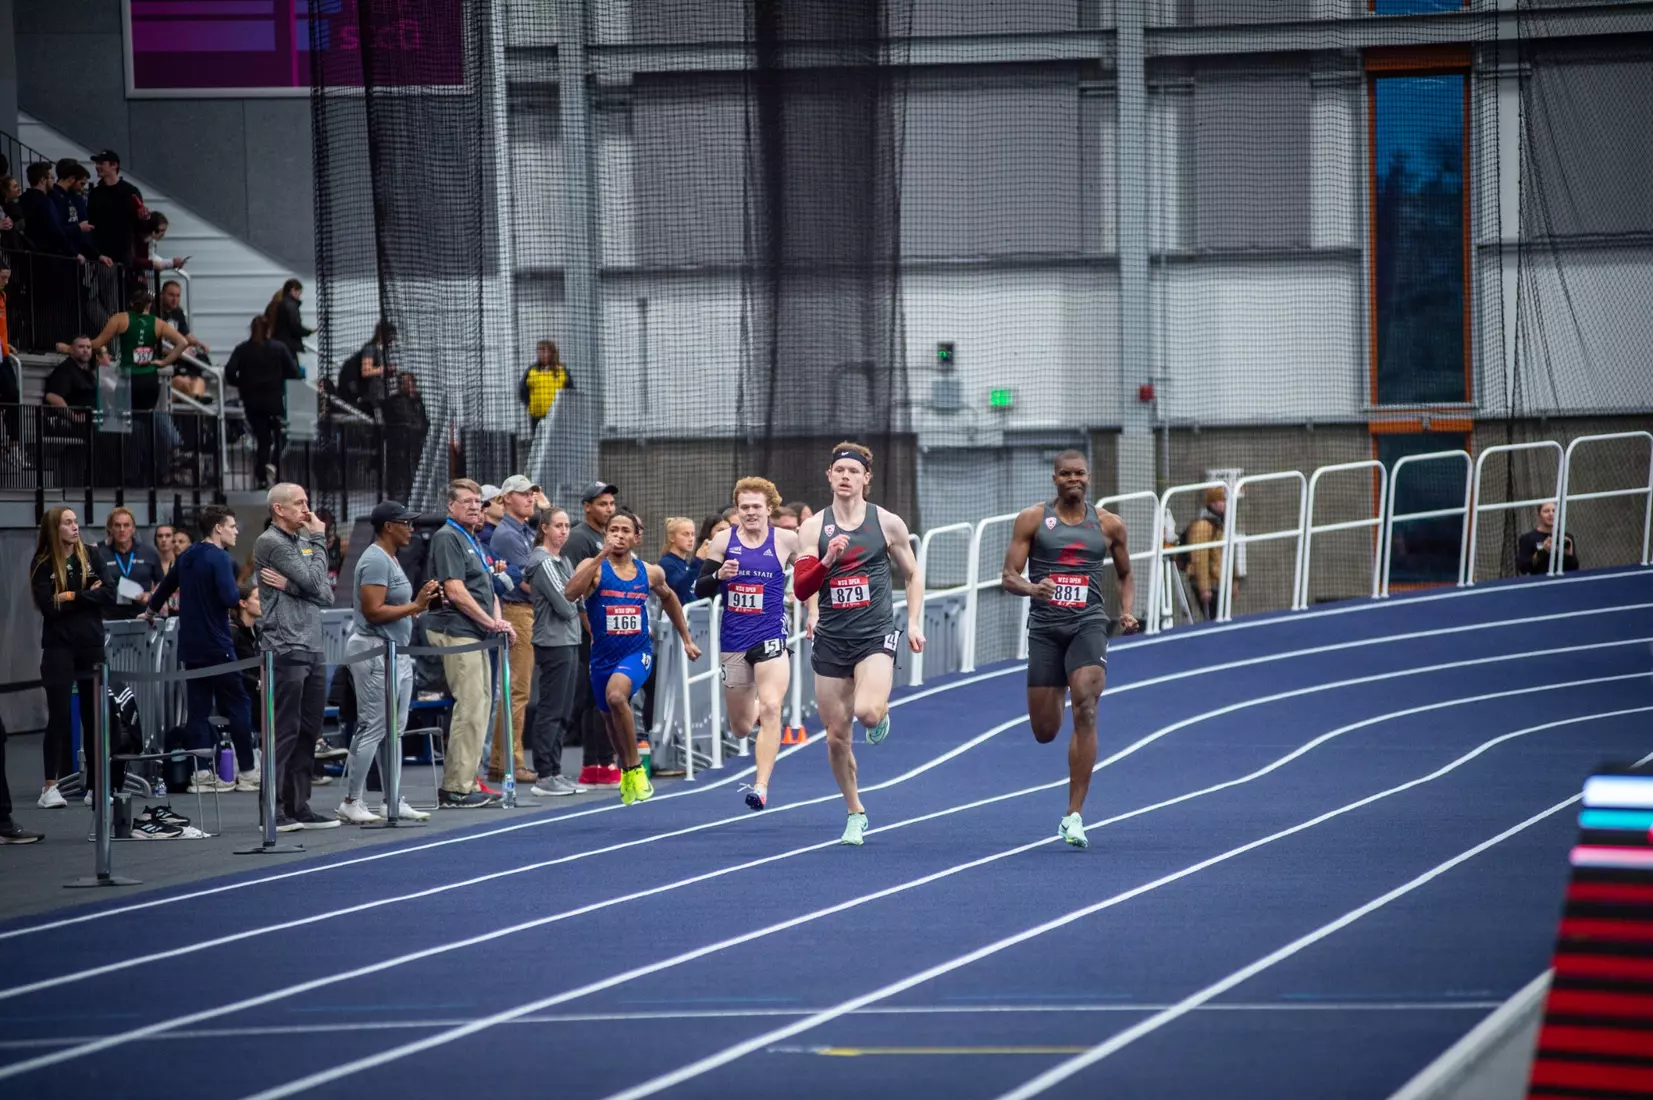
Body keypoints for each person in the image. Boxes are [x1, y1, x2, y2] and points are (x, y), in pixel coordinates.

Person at [1000, 450, 1139, 850]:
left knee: (1087, 706)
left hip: (1088, 622)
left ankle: (1073, 816)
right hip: (1045, 628)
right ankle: (1061, 678)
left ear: (1089, 478)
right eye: (1066, 474)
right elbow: (1009, 575)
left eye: (1079, 473)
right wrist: (1032, 588)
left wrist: (1127, 611)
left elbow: (1126, 574)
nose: (1073, 479)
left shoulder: (1110, 524)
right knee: (1045, 731)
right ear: (1055, 479)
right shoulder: (1032, 519)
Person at [792, 442, 926, 846]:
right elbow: (801, 588)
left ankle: (879, 714)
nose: (846, 477)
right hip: (832, 638)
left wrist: (915, 622)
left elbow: (912, 574)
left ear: (867, 478)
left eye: (854, 471)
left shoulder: (887, 524)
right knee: (836, 736)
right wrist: (827, 561)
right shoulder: (813, 528)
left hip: (874, 634)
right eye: (840, 471)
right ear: (829, 476)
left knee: (866, 713)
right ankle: (855, 812)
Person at [564, 510, 700, 805]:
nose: (620, 535)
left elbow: (670, 598)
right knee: (609, 719)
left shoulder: (649, 572)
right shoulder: (593, 567)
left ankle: (636, 766)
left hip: (637, 652)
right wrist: (600, 557)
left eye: (627, 530)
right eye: (614, 529)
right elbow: (570, 593)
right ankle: (626, 770)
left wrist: (686, 638)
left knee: (616, 698)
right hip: (602, 656)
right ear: (606, 534)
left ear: (637, 537)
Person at [693, 477, 800, 811]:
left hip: (770, 634)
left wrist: (810, 608)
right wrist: (719, 576)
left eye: (756, 507)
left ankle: (761, 786)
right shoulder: (723, 541)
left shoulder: (786, 540)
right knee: (740, 728)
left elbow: (813, 576)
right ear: (737, 510)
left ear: (769, 509)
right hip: (734, 639)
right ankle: (752, 712)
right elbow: (700, 589)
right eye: (744, 507)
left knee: (771, 707)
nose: (750, 513)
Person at [144, 505, 256, 795]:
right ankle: (246, 772)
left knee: (198, 711)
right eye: (231, 526)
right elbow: (232, 597)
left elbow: (166, 586)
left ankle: (203, 775)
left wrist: (150, 610)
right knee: (239, 705)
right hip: (218, 646)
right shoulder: (219, 558)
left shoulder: (188, 555)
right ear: (218, 528)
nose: (236, 531)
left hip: (191, 647)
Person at [339, 501, 440, 824]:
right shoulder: (374, 560)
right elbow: (372, 611)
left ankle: (391, 800)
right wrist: (415, 605)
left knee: (394, 730)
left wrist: (418, 604)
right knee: (373, 727)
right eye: (405, 522)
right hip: (374, 649)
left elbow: (396, 608)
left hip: (395, 651)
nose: (411, 528)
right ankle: (351, 801)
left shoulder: (389, 558)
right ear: (387, 527)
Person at [253, 482, 340, 831]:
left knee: (309, 729)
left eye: (307, 501)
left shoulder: (304, 542)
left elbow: (326, 596)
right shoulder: (270, 542)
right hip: (285, 644)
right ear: (279, 509)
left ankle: (298, 805)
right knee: (284, 731)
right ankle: (272, 811)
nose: (307, 509)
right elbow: (311, 579)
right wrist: (319, 541)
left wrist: (291, 586)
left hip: (313, 643)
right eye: (299, 503)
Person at [423, 478, 515, 807]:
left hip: (475, 631)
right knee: (471, 706)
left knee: (481, 705)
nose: (475, 506)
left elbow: (486, 587)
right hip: (455, 630)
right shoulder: (448, 537)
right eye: (466, 501)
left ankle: (466, 780)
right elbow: (456, 590)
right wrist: (491, 622)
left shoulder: (471, 538)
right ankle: (456, 787)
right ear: (450, 506)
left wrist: (496, 620)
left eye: (478, 501)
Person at [30, 507, 115, 808]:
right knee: (60, 715)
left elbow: (109, 593)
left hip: (91, 645)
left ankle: (95, 784)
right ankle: (49, 787)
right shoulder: (42, 563)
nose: (75, 527)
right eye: (68, 523)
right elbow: (49, 607)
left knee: (93, 716)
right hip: (58, 647)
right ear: (55, 528)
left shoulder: (91, 556)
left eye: (76, 521)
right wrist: (85, 596)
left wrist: (71, 596)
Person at [566, 481, 621, 787]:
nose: (608, 509)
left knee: (606, 696)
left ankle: (603, 761)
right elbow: (576, 587)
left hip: (609, 630)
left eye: (611, 504)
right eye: (602, 504)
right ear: (587, 506)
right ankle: (592, 764)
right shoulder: (578, 539)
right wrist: (591, 626)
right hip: (593, 632)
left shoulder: (604, 537)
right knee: (594, 697)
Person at [527, 507, 585, 796]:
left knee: (563, 709)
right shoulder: (543, 562)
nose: (564, 531)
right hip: (553, 642)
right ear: (544, 529)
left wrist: (577, 600)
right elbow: (566, 604)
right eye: (558, 526)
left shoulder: (563, 559)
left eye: (567, 526)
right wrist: (576, 600)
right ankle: (544, 774)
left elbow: (579, 594)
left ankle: (556, 770)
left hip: (569, 640)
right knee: (551, 709)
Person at [488, 475, 541, 785]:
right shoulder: (509, 535)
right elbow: (529, 581)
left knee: (515, 690)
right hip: (518, 611)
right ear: (506, 499)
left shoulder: (523, 531)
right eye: (523, 494)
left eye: (531, 494)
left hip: (525, 611)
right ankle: (512, 761)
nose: (530, 499)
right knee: (517, 691)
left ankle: (501, 760)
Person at [225, 314, 302, 489]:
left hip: (251, 402)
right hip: (273, 400)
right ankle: (274, 466)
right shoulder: (279, 348)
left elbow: (229, 373)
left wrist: (242, 383)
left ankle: (261, 475)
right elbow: (294, 372)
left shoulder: (242, 349)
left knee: (263, 438)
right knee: (281, 435)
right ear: (269, 329)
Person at [87, 289, 190, 418]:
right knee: (146, 420)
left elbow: (96, 343)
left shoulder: (121, 319)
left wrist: (70, 348)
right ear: (149, 304)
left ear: (131, 303)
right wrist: (164, 362)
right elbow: (183, 343)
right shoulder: (157, 322)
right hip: (149, 378)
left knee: (122, 421)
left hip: (127, 376)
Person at [98, 507, 166, 620]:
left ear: (133, 528)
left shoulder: (148, 552)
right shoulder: (100, 554)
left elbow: (162, 582)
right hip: (109, 618)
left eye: (126, 525)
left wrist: (150, 595)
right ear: (110, 528)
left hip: (142, 616)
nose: (122, 529)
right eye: (117, 525)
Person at [1182, 485, 1229, 621]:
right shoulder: (1202, 526)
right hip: (1208, 582)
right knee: (1214, 620)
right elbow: (1199, 557)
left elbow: (1224, 554)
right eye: (1217, 501)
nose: (1221, 504)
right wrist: (1204, 587)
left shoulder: (1219, 524)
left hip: (1216, 580)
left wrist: (1233, 580)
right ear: (1210, 504)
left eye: (1223, 500)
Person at [382, 372, 427, 504]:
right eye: (403, 383)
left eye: (409, 382)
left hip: (415, 445)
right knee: (398, 477)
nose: (406, 385)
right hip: (399, 446)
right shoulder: (394, 401)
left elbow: (421, 421)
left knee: (413, 475)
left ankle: (412, 498)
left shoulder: (417, 401)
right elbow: (400, 420)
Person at [1517, 501, 1580, 576]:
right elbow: (1523, 568)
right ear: (1539, 515)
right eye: (1546, 511)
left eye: (1554, 511)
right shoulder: (1527, 538)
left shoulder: (1566, 537)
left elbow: (1574, 568)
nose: (1551, 514)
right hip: (1539, 582)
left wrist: (1568, 555)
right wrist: (1543, 551)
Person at [519, 340, 571, 429]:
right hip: (537, 416)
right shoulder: (532, 371)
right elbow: (523, 391)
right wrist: (531, 405)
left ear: (553, 353)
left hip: (557, 417)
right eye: (539, 350)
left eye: (544, 350)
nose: (541, 353)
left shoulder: (562, 371)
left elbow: (570, 392)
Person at [264, 279, 313, 363]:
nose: (299, 296)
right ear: (293, 290)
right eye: (299, 293)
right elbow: (295, 326)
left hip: (275, 344)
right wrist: (307, 332)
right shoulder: (291, 306)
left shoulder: (276, 307)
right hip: (288, 346)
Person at [657, 517, 698, 607]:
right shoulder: (667, 563)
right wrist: (698, 561)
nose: (691, 539)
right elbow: (680, 589)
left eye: (693, 534)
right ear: (672, 537)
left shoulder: (685, 564)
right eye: (685, 534)